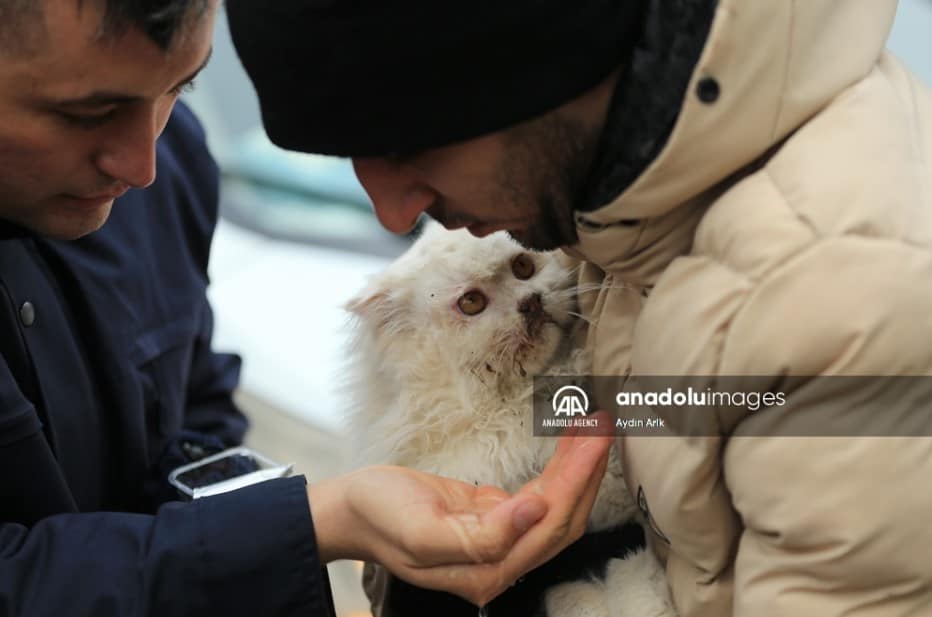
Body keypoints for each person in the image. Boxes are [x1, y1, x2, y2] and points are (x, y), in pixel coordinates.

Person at [227, 0, 932, 615]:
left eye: (405, 147)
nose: (391, 214)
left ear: (526, 70)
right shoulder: (607, 203)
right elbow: (654, 410)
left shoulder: (852, 292)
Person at [0, 0, 617, 615]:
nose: (142, 165)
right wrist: (319, 523)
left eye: (179, 88)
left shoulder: (175, 163)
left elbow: (192, 415)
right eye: (87, 113)